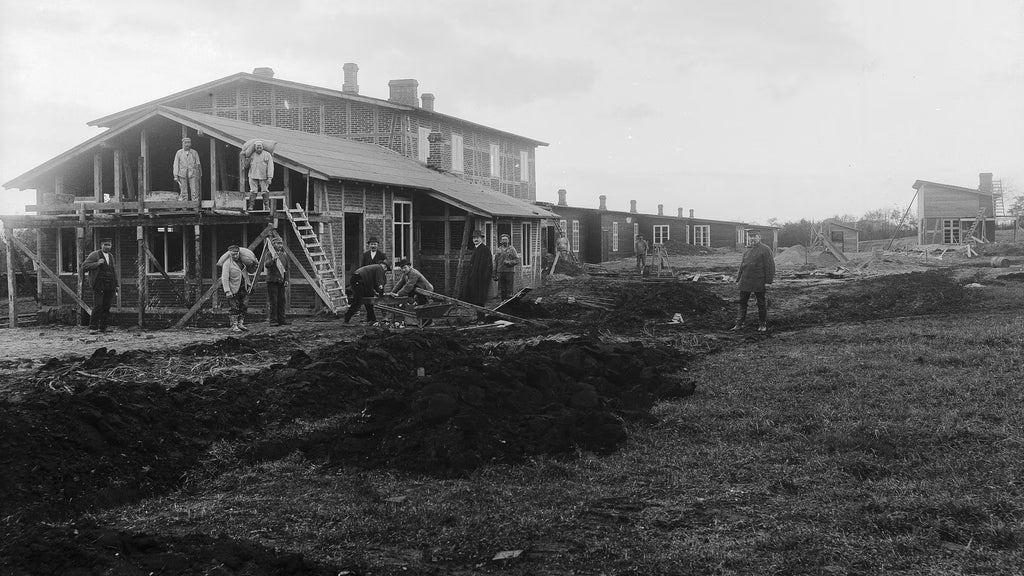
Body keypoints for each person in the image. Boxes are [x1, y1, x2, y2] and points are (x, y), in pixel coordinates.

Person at [732, 231, 776, 332]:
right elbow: (742, 266)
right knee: (742, 302)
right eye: (750, 237)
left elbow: (770, 267)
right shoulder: (747, 250)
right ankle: (739, 324)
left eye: (754, 236)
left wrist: (768, 282)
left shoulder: (765, 249)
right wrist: (738, 279)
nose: (752, 239)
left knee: (761, 303)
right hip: (745, 280)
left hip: (759, 281)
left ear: (759, 237)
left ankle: (762, 324)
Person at [81, 238, 119, 335]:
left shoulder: (110, 256)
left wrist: (117, 285)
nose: (107, 246)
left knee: (106, 306)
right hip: (99, 284)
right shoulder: (95, 254)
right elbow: (84, 266)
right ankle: (93, 327)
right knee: (98, 305)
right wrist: (97, 263)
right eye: (105, 244)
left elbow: (114, 271)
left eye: (109, 245)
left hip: (110, 284)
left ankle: (103, 327)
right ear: (101, 245)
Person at [461, 229, 492, 323]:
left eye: (478, 238)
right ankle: (479, 318)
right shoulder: (476, 249)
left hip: (481, 279)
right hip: (474, 279)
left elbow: (488, 267)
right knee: (476, 299)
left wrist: (485, 280)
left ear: (482, 239)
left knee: (480, 299)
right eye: (474, 238)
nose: (476, 240)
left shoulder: (485, 250)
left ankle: (481, 319)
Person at [221, 244, 252, 332]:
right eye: (232, 254)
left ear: (239, 253)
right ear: (229, 254)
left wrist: (249, 284)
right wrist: (227, 291)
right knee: (234, 308)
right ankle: (234, 325)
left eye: (236, 254)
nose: (234, 256)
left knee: (244, 306)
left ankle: (240, 323)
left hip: (243, 288)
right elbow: (225, 278)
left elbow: (245, 275)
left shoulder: (242, 263)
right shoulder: (227, 264)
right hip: (233, 289)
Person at [265, 237, 289, 326]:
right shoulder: (269, 254)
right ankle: (273, 321)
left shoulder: (284, 255)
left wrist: (286, 279)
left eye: (281, 244)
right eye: (278, 244)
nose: (280, 245)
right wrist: (273, 259)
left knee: (282, 301)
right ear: (273, 245)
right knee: (273, 302)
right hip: (272, 282)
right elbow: (267, 265)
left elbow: (286, 269)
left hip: (281, 282)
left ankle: (282, 320)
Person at [246, 140, 274, 212]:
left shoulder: (267, 155)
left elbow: (270, 166)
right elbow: (246, 165)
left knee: (264, 190)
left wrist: (270, 177)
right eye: (257, 147)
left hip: (263, 176)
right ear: (255, 148)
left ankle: (267, 206)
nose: (259, 148)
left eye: (260, 146)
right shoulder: (252, 155)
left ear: (262, 147)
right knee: (253, 191)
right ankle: (251, 206)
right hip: (252, 174)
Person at [172, 137, 202, 202]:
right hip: (182, 174)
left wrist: (199, 174)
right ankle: (184, 207)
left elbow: (198, 164)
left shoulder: (194, 153)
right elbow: (176, 164)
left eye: (189, 143)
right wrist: (175, 175)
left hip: (193, 174)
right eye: (186, 143)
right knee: (183, 191)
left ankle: (195, 206)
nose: (187, 144)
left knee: (195, 191)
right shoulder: (179, 153)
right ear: (183, 143)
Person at [492, 233, 520, 300]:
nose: (504, 241)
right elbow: (495, 262)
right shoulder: (498, 250)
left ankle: (510, 303)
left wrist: (509, 262)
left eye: (506, 239)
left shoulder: (512, 249)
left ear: (508, 241)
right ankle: (503, 302)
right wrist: (494, 274)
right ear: (500, 241)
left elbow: (517, 260)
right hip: (500, 272)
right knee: (502, 290)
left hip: (509, 272)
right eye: (503, 240)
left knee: (509, 290)